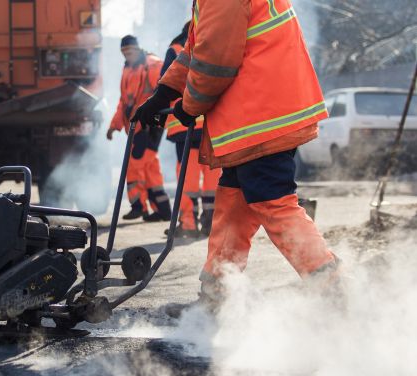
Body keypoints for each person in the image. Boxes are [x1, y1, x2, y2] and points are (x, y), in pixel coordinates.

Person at [133, 0, 340, 312]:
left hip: (260, 116)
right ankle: (218, 298)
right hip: (259, 115)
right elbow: (199, 48)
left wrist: (186, 108)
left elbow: (215, 62)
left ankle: (334, 294)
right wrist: (164, 93)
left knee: (273, 201)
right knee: (233, 204)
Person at [161, 22, 221, 239]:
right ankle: (211, 221)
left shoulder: (176, 51)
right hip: (209, 125)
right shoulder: (211, 48)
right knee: (212, 173)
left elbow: (166, 83)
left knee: (187, 177)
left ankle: (188, 223)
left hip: (185, 124)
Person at [107, 35, 172, 222]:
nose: (127, 55)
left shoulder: (152, 65)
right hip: (136, 127)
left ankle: (139, 206)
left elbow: (163, 93)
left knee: (135, 165)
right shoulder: (127, 69)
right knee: (150, 167)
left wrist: (157, 120)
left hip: (150, 126)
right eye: (124, 52)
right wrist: (114, 126)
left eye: (130, 51)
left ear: (138, 48)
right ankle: (163, 209)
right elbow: (124, 102)